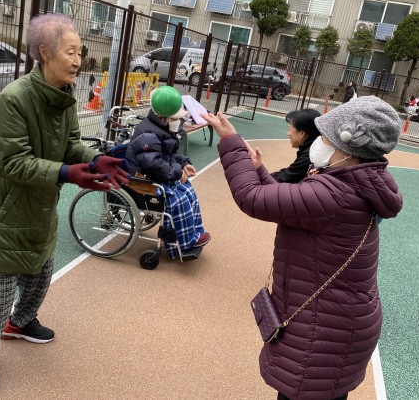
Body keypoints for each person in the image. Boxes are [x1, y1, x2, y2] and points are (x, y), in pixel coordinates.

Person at [0, 13, 129, 396]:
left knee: (40, 275)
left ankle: (22, 322)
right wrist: (68, 173)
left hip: (37, 207)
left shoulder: (64, 97)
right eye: (71, 52)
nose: (78, 60)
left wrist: (94, 158)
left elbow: (71, 144)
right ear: (45, 52)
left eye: (80, 53)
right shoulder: (14, 99)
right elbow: (13, 163)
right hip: (2, 212)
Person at [203, 96, 403, 400]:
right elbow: (292, 203)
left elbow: (251, 198)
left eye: (325, 137)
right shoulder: (356, 182)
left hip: (324, 330)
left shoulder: (333, 192)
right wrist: (258, 171)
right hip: (340, 323)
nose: (318, 143)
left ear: (347, 145)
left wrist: (230, 142)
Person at [124, 86, 210, 258]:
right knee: (178, 199)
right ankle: (184, 242)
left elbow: (167, 156)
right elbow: (154, 164)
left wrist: (183, 163)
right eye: (174, 118)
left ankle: (194, 232)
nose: (178, 121)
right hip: (144, 181)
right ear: (163, 118)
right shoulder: (148, 134)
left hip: (155, 175)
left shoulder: (160, 129)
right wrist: (178, 172)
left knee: (188, 191)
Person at [256, 108, 321, 184]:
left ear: (302, 134)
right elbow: (290, 171)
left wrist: (258, 173)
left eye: (289, 129)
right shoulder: (314, 149)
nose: (288, 133)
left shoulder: (309, 156)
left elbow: (284, 179)